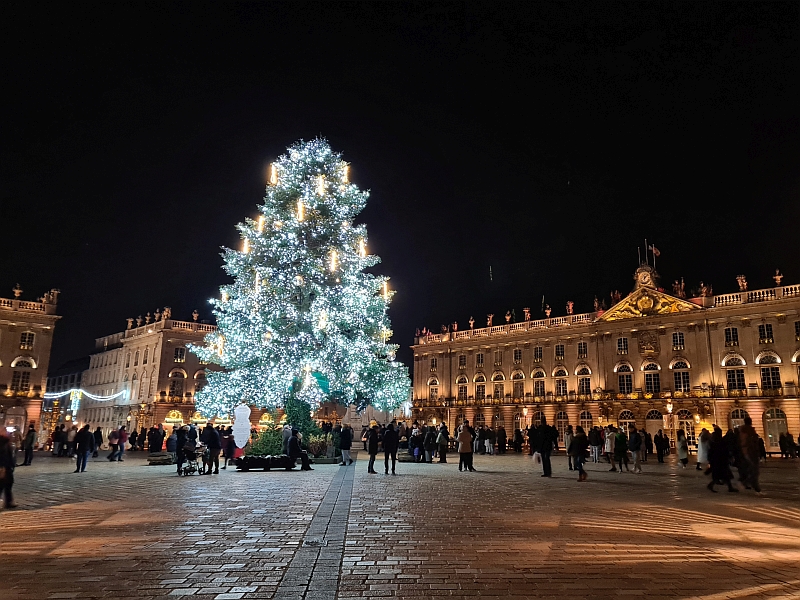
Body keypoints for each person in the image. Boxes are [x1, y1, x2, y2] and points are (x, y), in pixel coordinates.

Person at [707, 426, 738, 493]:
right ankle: (711, 485)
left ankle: (730, 487)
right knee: (722, 475)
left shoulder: (714, 441)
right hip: (720, 461)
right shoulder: (719, 441)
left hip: (718, 461)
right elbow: (724, 450)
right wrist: (729, 456)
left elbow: (711, 452)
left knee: (723, 475)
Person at [738, 416, 761, 492]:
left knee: (751, 469)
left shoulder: (742, 431)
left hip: (746, 451)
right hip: (750, 451)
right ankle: (751, 483)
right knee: (754, 469)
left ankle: (747, 482)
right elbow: (750, 442)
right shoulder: (749, 431)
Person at [0, 432, 17, 509]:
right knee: (2, 485)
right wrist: (2, 467)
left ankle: (9, 501)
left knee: (8, 485)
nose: (13, 437)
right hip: (4, 468)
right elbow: (3, 456)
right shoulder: (3, 444)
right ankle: (9, 502)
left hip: (8, 468)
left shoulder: (7, 444)